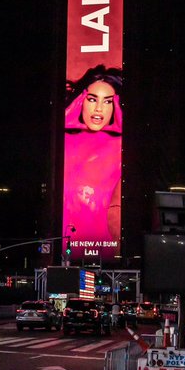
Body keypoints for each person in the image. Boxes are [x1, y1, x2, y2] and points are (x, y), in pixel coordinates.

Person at [62, 66, 123, 248]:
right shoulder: (61, 141)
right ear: (81, 100)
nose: (98, 109)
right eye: (92, 99)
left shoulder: (121, 147)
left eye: (107, 102)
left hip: (105, 249)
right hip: (62, 248)